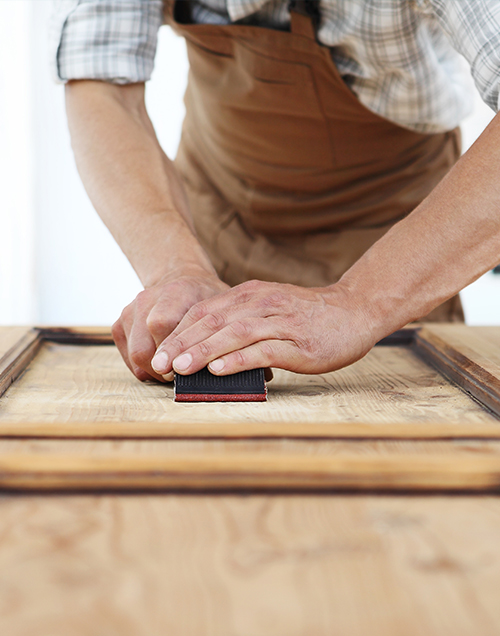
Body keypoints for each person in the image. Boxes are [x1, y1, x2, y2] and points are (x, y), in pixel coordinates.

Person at [52, 0, 500, 383]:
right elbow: (102, 81)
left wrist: (362, 302)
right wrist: (175, 268)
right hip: (219, 211)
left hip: (395, 222)